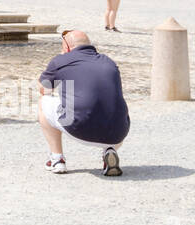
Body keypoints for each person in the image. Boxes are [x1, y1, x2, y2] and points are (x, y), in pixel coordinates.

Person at [39, 30, 130, 175]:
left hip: (80, 129)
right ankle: (109, 150)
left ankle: (57, 159)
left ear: (67, 47)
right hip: (118, 133)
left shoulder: (61, 60)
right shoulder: (109, 61)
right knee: (107, 101)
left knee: (44, 102)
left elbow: (44, 89)